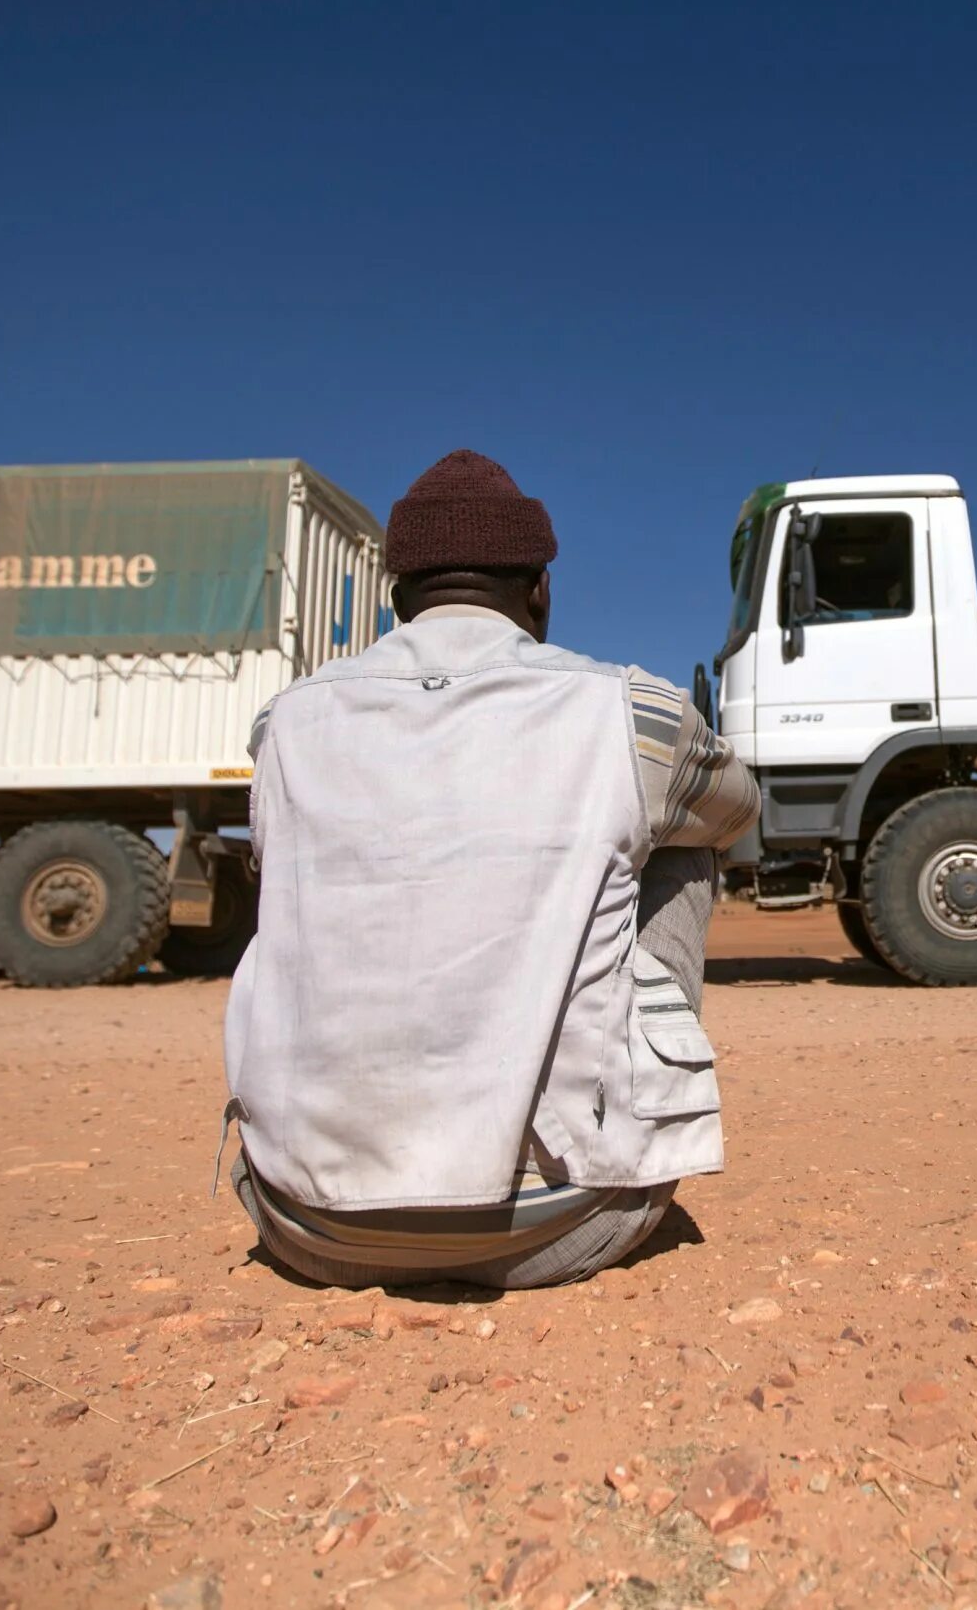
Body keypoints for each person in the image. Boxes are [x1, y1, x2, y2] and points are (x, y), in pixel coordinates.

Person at [221, 449, 760, 1289]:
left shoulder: (283, 727)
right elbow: (740, 807)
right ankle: (605, 1129)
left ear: (397, 599)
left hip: (305, 1220)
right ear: (539, 589)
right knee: (683, 837)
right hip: (567, 1216)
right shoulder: (626, 708)